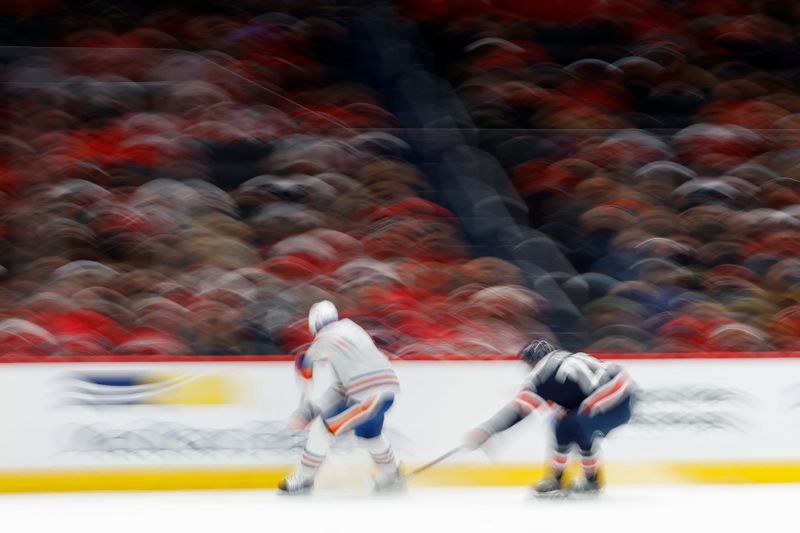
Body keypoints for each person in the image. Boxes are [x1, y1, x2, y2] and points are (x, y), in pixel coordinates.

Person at [463, 339, 635, 495]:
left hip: (612, 396)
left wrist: (487, 430)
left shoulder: (543, 374)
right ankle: (590, 481)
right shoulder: (564, 359)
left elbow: (519, 411)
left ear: (533, 362)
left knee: (566, 426)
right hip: (623, 392)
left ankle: (559, 480)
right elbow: (575, 391)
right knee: (572, 423)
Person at [278, 300, 403, 494]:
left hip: (368, 397)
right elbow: (341, 389)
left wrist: (305, 370)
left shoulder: (326, 336)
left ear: (315, 326)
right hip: (385, 392)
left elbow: (306, 361)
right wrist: (310, 410)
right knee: (370, 437)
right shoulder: (353, 331)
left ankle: (304, 479)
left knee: (321, 429)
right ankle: (392, 475)